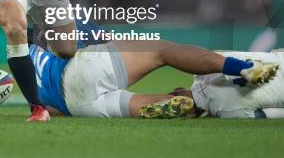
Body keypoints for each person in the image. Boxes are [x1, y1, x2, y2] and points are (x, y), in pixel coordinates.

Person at [27, 32, 279, 118]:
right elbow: (94, 39)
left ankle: (186, 104)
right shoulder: (52, 26)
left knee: (136, 104)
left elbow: (50, 110)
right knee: (162, 50)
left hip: (76, 106)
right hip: (77, 70)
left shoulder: (24, 68)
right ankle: (241, 68)